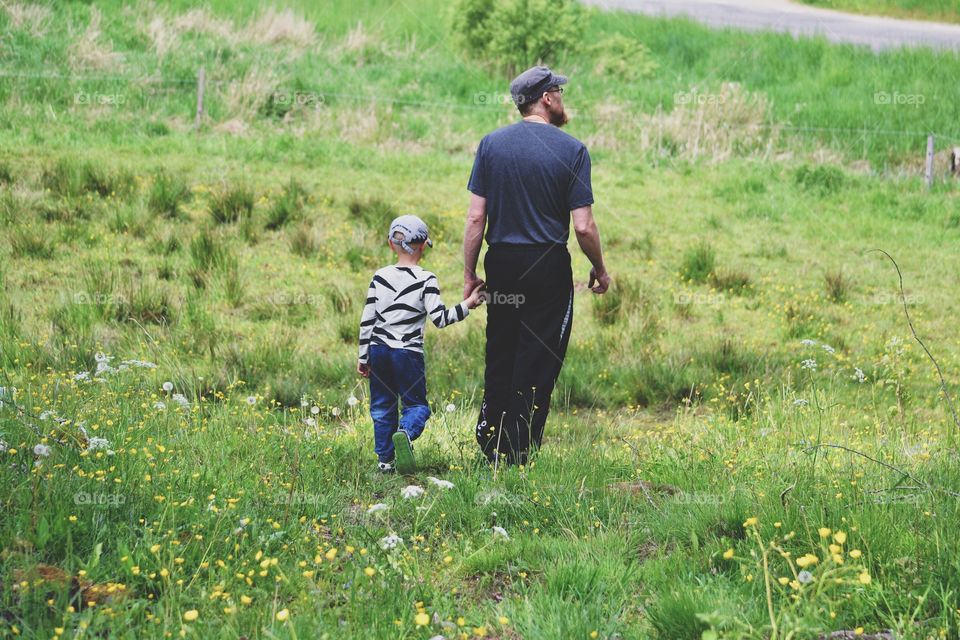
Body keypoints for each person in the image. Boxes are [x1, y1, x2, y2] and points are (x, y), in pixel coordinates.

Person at [463, 66, 611, 465]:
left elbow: (477, 218)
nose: (563, 98)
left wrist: (469, 273)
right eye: (559, 91)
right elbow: (582, 226)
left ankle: (490, 440)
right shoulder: (573, 151)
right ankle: (519, 450)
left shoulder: (491, 145)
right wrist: (599, 267)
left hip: (503, 263)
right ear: (546, 98)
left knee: (502, 349)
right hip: (547, 265)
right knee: (539, 356)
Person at [358, 215, 485, 474]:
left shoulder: (379, 276)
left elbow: (367, 319)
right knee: (417, 406)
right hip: (407, 353)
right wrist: (468, 305)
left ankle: (385, 461)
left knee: (382, 406)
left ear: (391, 244)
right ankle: (405, 433)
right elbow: (439, 319)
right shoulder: (426, 279)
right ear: (424, 244)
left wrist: (363, 356)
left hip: (378, 350)